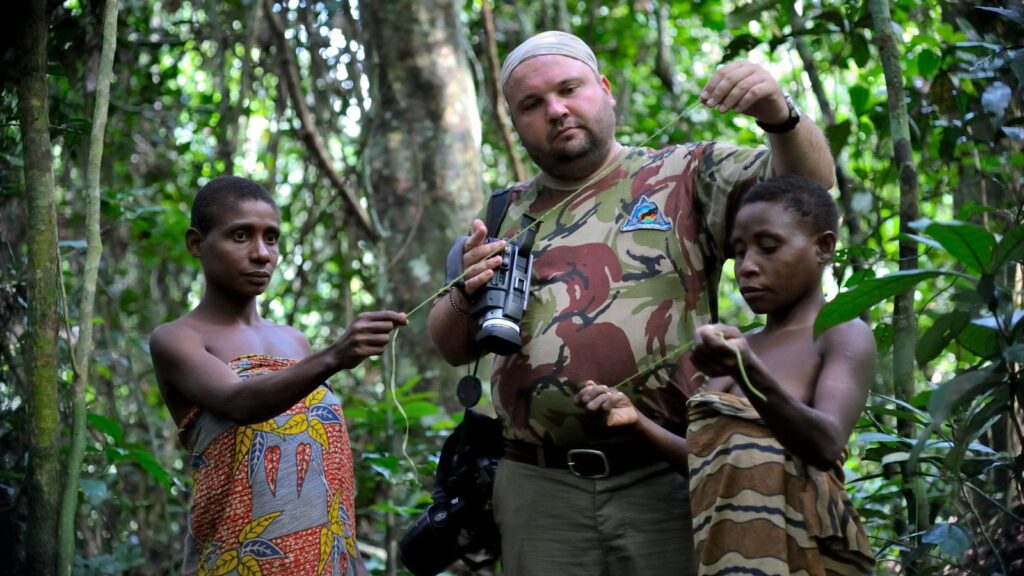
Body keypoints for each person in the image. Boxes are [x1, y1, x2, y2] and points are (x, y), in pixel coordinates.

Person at [426, 30, 835, 576]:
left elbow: (811, 195)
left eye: (569, 89)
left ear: (605, 88)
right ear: (516, 120)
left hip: (666, 472)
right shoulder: (505, 212)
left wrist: (778, 115)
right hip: (539, 488)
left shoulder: (689, 173)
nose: (556, 110)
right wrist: (464, 291)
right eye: (532, 104)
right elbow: (452, 348)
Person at [579, 175, 876, 575]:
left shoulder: (841, 333)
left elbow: (824, 444)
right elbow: (706, 459)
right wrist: (637, 422)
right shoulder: (740, 347)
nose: (748, 267)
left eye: (769, 248)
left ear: (822, 247)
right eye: (739, 252)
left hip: (801, 553)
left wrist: (747, 370)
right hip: (727, 554)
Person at [149, 176, 407, 576]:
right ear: (197, 243)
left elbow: (330, 481)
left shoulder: (296, 342)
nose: (261, 253)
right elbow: (239, 402)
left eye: (271, 238)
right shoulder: (176, 338)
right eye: (240, 236)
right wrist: (336, 355)